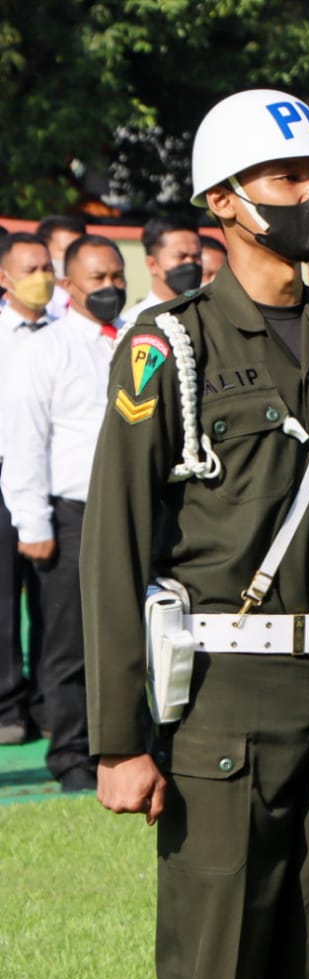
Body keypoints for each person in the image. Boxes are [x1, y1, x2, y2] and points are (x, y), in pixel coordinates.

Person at [83, 89, 309, 979]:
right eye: (287, 179)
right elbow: (115, 542)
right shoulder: (168, 346)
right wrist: (118, 740)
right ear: (225, 201)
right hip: (223, 711)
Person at [1, 235, 126, 787]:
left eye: (117, 277)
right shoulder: (44, 349)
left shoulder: (133, 340)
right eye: (97, 279)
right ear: (69, 286)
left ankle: (128, 744)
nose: (110, 288)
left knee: (134, 635)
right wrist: (33, 521)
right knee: (69, 642)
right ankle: (73, 755)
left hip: (135, 509)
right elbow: (25, 440)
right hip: (73, 511)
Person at [0, 233, 52, 746]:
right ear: (5, 277)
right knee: (3, 596)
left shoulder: (61, 333)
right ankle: (8, 704)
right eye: (30, 267)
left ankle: (48, 700)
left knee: (51, 596)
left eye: (47, 265)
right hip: (2, 472)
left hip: (53, 476)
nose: (42, 277)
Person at [128, 215, 203, 319]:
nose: (190, 263)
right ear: (152, 265)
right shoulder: (134, 322)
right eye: (181, 256)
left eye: (196, 256)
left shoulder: (212, 318)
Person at [35, 214, 86, 319]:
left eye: (78, 250)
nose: (74, 257)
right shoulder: (35, 303)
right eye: (66, 251)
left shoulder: (91, 299)